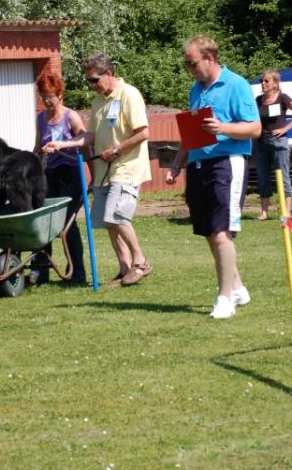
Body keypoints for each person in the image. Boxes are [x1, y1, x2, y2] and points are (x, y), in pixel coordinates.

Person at [166, 35, 261, 319]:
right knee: (209, 231)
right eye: (186, 64)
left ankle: (225, 299)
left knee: (221, 231)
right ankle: (238, 288)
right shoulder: (196, 89)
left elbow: (255, 128)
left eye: (192, 63)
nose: (189, 69)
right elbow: (190, 133)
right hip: (198, 165)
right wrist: (177, 164)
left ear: (209, 58)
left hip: (226, 163)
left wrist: (223, 128)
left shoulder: (236, 84)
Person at [42, 53, 152, 287]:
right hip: (105, 170)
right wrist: (62, 144)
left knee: (116, 214)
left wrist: (118, 149)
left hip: (126, 166)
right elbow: (89, 136)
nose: (91, 85)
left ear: (108, 74)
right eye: (88, 81)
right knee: (106, 219)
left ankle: (140, 262)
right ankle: (124, 270)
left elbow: (143, 132)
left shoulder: (129, 94)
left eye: (94, 80)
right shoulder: (99, 101)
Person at [31, 73, 87, 285]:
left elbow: (84, 140)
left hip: (70, 174)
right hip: (49, 175)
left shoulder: (70, 116)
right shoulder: (40, 118)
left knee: (67, 225)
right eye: (43, 96)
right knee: (43, 223)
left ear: (60, 94)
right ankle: (41, 272)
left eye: (51, 96)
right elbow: (37, 146)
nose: (47, 100)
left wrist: (92, 175)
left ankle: (77, 274)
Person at [253, 69, 292, 220]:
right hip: (260, 142)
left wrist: (285, 129)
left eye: (266, 81)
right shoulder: (258, 100)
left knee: (283, 176)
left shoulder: (283, 97)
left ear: (275, 83)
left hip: (278, 142)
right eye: (261, 81)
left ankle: (286, 212)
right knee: (262, 176)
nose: (263, 83)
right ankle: (264, 212)